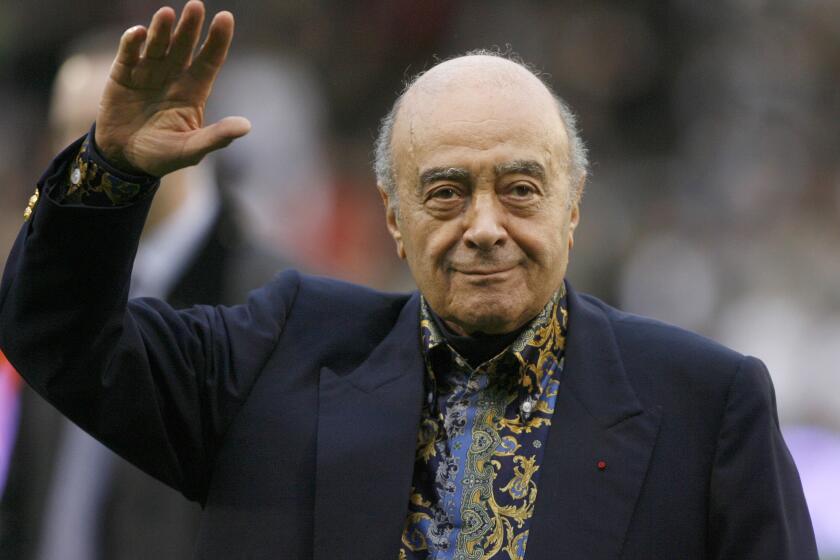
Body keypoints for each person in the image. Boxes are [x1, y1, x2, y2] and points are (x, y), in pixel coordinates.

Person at [0, 2, 817, 558]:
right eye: (447, 192)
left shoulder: (707, 403)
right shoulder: (278, 354)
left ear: (574, 210)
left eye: (522, 189)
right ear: (394, 220)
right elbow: (59, 338)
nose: (486, 225)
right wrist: (109, 175)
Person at [0, 28, 285, 560]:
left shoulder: (265, 301)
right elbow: (26, 493)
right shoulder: (51, 299)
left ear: (184, 122)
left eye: (109, 125)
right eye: (73, 134)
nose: (93, 153)